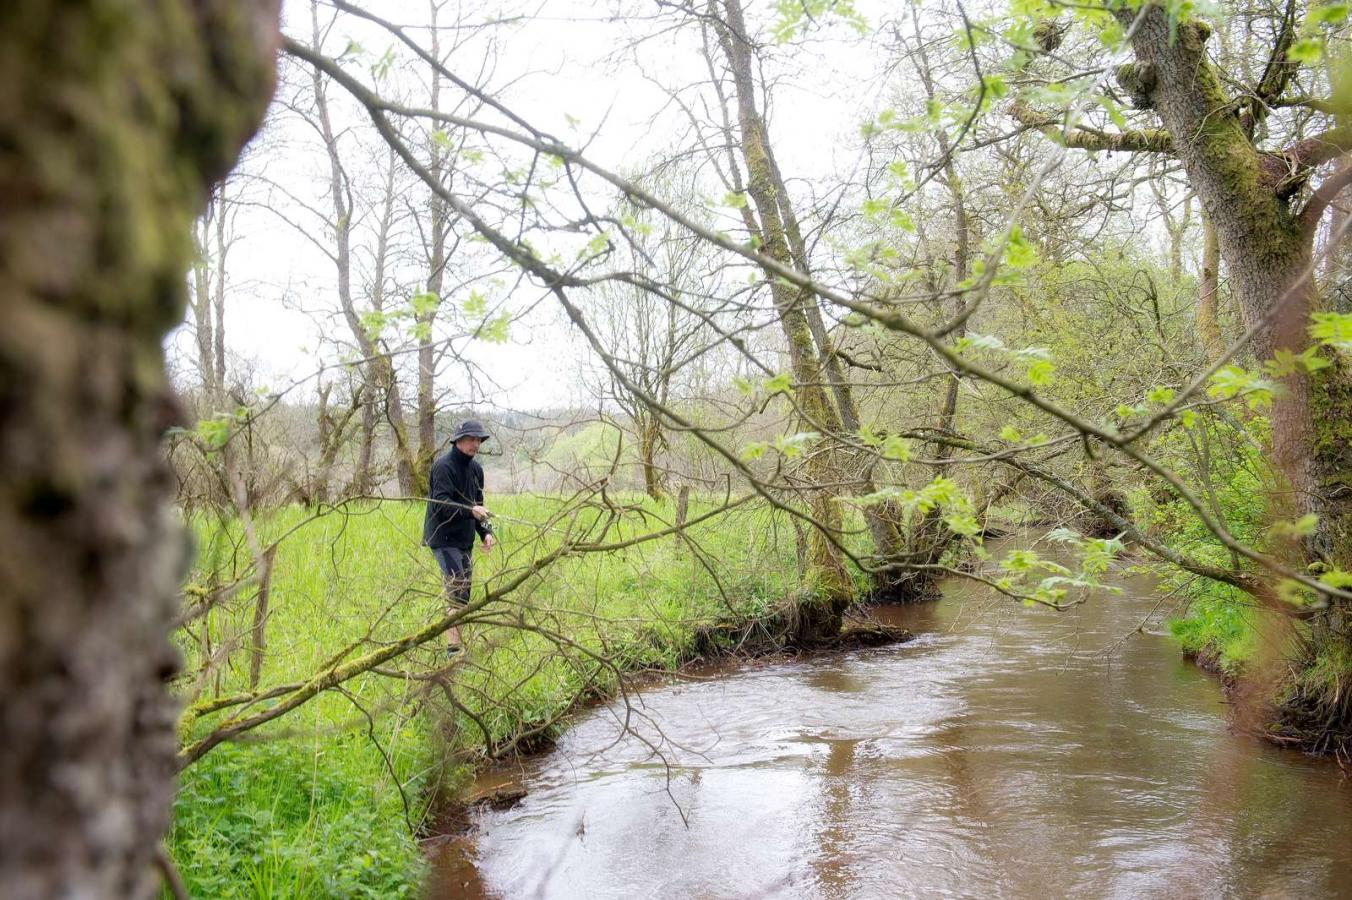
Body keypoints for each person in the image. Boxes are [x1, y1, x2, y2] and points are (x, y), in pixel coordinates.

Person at [423, 419, 496, 656]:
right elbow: (441, 505)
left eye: (478, 440)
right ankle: (453, 651)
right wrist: (469, 510)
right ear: (458, 441)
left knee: (464, 595)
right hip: (442, 538)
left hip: (464, 540)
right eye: (471, 439)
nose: (475, 444)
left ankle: (458, 647)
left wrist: (485, 532)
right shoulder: (443, 467)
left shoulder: (477, 470)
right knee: (456, 590)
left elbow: (480, 505)